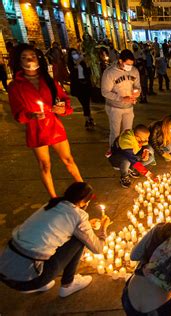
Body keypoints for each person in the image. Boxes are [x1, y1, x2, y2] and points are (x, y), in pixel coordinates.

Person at [0, 182, 111, 297]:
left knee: (75, 235)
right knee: (78, 240)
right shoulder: (78, 215)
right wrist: (103, 228)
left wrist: (86, 225)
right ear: (84, 201)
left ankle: (37, 279)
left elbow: (55, 227)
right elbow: (98, 249)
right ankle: (68, 284)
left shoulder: (51, 204)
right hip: (27, 281)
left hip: (5, 269)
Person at [8, 44, 82, 198]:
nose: (30, 59)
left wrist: (63, 109)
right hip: (36, 130)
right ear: (18, 61)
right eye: (25, 57)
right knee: (45, 165)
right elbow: (17, 113)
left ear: (38, 58)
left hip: (54, 126)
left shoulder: (48, 80)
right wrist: (31, 116)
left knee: (69, 160)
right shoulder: (15, 86)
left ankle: (83, 187)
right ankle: (53, 197)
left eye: (32, 56)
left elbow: (64, 100)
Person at [101, 49, 141, 157]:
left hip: (129, 107)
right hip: (114, 107)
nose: (129, 67)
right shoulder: (109, 72)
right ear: (120, 61)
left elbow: (138, 87)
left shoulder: (134, 71)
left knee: (127, 132)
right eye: (127, 64)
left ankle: (125, 152)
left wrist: (136, 93)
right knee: (115, 132)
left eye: (131, 64)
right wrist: (121, 98)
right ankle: (114, 151)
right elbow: (104, 92)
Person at [108, 124, 156, 188]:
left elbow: (146, 144)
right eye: (145, 138)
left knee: (150, 157)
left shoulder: (139, 136)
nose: (147, 139)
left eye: (148, 137)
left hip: (131, 155)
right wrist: (149, 174)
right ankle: (124, 176)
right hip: (117, 158)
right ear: (137, 137)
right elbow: (132, 159)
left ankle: (130, 168)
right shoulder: (126, 141)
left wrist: (146, 152)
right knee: (126, 161)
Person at [67, 48, 95, 130]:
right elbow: (73, 69)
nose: (75, 55)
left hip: (85, 84)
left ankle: (88, 119)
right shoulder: (71, 63)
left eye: (75, 53)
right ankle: (88, 119)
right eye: (73, 54)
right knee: (84, 103)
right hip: (78, 86)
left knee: (86, 103)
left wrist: (86, 62)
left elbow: (87, 71)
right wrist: (80, 59)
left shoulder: (82, 62)